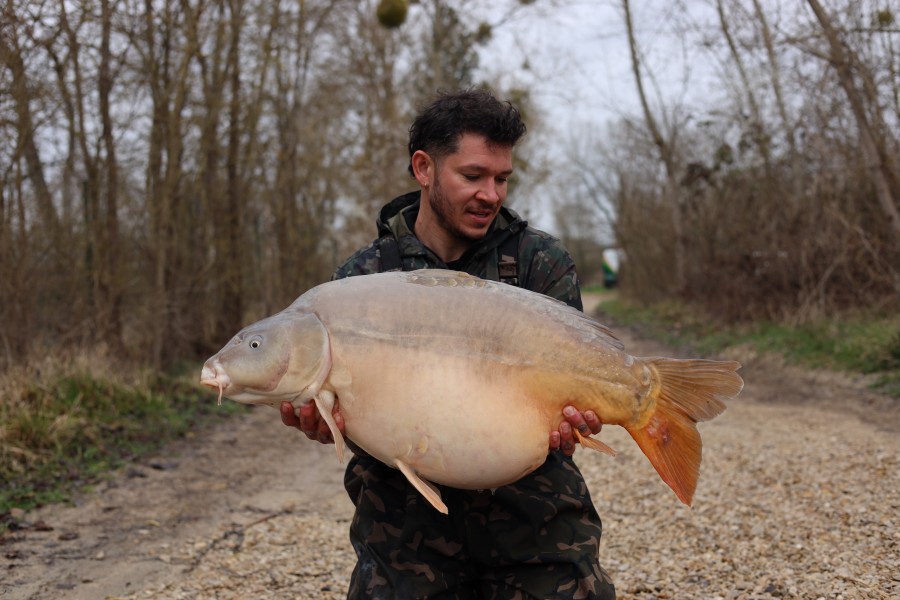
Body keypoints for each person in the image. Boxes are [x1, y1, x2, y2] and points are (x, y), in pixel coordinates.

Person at [281, 88, 617, 599]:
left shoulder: (540, 262)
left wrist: (576, 420)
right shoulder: (364, 277)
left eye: (502, 178)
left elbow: (567, 404)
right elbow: (352, 416)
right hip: (405, 535)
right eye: (474, 176)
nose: (492, 194)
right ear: (424, 168)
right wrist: (325, 423)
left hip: (535, 522)